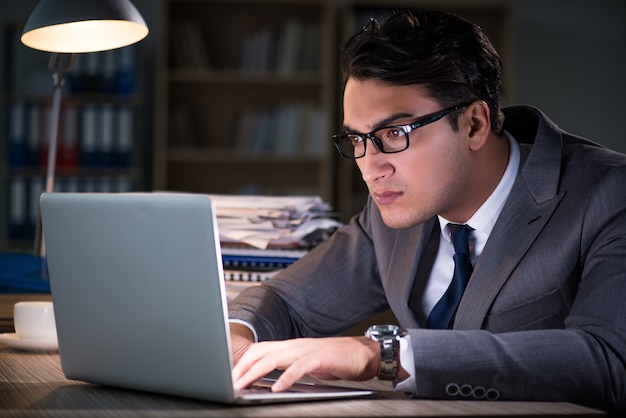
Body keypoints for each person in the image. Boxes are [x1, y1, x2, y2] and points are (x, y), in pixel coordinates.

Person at [227, 10, 626, 413]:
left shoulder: (610, 192)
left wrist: (384, 355)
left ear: (473, 124)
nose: (369, 168)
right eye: (356, 139)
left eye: (394, 134)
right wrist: (236, 332)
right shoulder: (393, 205)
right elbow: (290, 301)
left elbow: (608, 361)